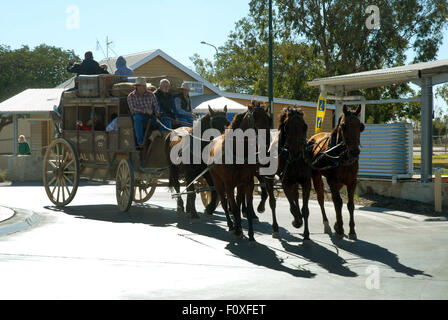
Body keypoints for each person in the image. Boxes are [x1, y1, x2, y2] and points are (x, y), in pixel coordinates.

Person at [127, 77, 161, 146]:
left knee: (161, 122)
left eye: (145, 86)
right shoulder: (131, 96)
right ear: (137, 87)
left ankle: (158, 138)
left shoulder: (151, 94)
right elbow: (132, 109)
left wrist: (157, 112)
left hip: (150, 116)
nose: (144, 87)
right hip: (139, 116)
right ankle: (140, 142)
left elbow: (156, 105)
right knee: (137, 118)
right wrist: (145, 111)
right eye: (143, 86)